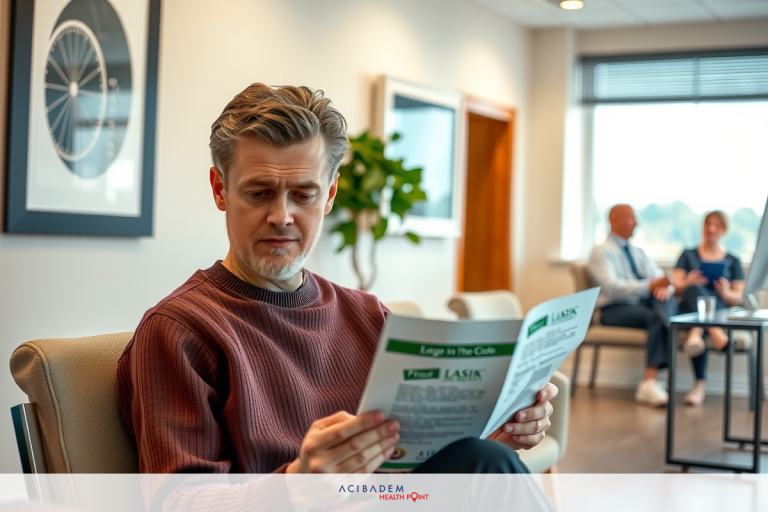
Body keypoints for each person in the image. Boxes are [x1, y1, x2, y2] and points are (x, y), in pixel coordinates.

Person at [116, 84, 557, 509]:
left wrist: (496, 435)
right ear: (219, 190)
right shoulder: (179, 331)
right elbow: (179, 502)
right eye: (259, 193)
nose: (282, 216)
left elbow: (413, 473)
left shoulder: (369, 316)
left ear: (328, 195)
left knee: (486, 459)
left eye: (303, 194)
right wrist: (296, 485)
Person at [587, 204, 677, 407]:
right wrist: (650, 286)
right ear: (615, 220)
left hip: (639, 305)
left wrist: (664, 288)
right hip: (613, 309)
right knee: (656, 317)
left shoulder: (638, 252)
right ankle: (649, 381)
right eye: (631, 218)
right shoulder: (601, 252)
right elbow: (611, 287)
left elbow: (661, 279)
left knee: (663, 299)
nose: (636, 223)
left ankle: (650, 381)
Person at [673, 210, 745, 406]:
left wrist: (726, 292)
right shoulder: (688, 255)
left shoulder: (733, 260)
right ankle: (716, 334)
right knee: (694, 288)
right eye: (707, 224)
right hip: (688, 311)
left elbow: (738, 297)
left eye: (716, 225)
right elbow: (675, 286)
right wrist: (687, 281)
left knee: (703, 314)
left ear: (723, 230)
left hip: (719, 309)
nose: (711, 228)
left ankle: (696, 339)